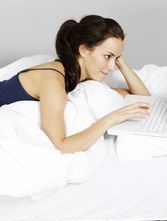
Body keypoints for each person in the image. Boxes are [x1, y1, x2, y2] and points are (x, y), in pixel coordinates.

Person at [0, 15, 151, 153]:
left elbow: (143, 98)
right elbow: (61, 145)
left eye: (115, 59)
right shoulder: (53, 83)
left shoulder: (78, 77)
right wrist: (110, 120)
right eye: (107, 57)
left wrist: (120, 61)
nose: (112, 67)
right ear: (84, 50)